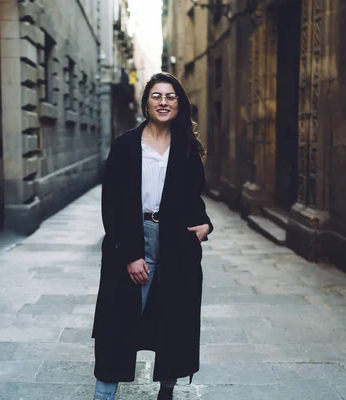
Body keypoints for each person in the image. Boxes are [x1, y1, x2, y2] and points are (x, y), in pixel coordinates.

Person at [92, 72, 213, 400]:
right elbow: (112, 204)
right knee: (117, 322)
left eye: (171, 96)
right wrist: (130, 253)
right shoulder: (126, 146)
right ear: (146, 103)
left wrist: (206, 225)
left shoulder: (187, 146)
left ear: (179, 103)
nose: (164, 102)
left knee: (174, 320)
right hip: (135, 235)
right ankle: (103, 395)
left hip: (177, 243)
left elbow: (194, 198)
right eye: (157, 96)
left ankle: (167, 391)